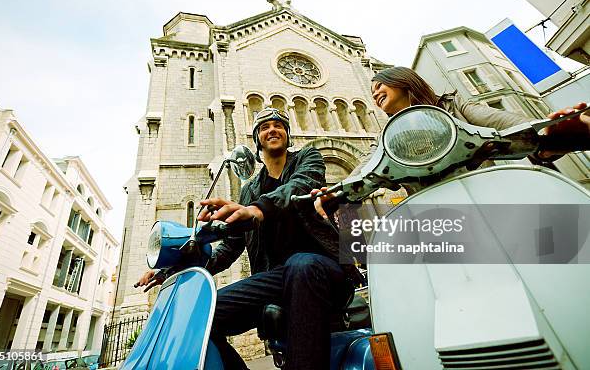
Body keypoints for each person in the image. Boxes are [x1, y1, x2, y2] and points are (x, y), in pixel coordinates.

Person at [136, 107, 356, 370]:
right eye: (264, 127)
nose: (272, 129)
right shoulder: (250, 189)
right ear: (257, 140)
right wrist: (170, 271)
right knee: (202, 315)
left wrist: (257, 210)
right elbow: (229, 248)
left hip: (323, 270)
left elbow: (299, 186)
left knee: (302, 263)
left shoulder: (308, 158)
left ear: (287, 133)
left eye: (278, 125)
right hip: (276, 278)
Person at [313, 66, 589, 218]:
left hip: (491, 202)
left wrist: (548, 134)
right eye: (371, 92)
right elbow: (364, 168)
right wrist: (335, 192)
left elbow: (505, 123)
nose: (374, 95)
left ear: (402, 82)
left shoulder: (455, 105)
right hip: (436, 218)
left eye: (379, 87)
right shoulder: (386, 138)